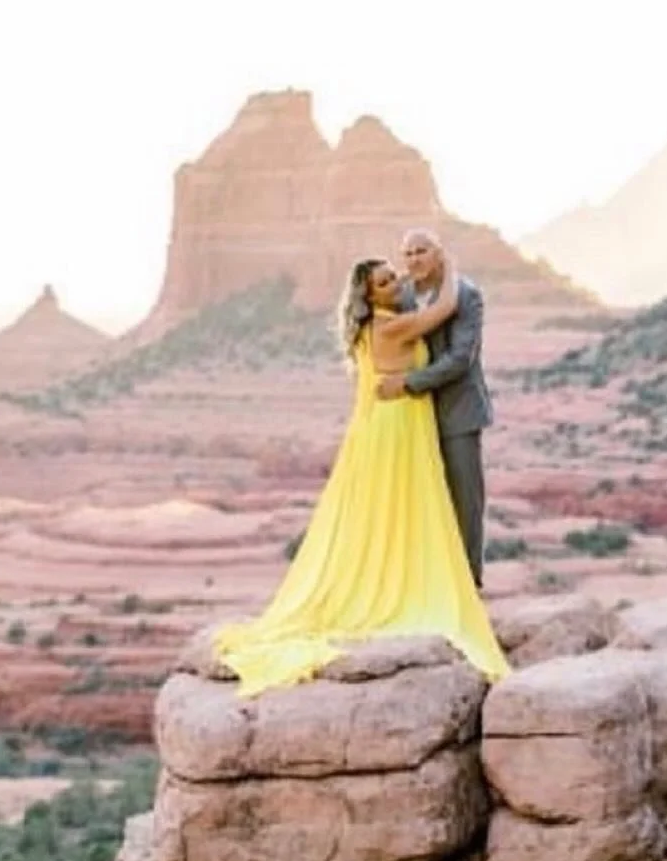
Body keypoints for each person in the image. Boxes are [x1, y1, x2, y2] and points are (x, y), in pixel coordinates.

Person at [212, 255, 509, 697]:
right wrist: (444, 260)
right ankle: (409, 585)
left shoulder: (377, 324)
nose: (396, 282)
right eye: (386, 281)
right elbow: (444, 308)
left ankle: (405, 575)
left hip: (395, 421)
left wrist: (414, 273)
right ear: (369, 295)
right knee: (407, 502)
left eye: (394, 276)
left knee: (398, 507)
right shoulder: (389, 326)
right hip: (398, 425)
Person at [376, 229, 492, 589]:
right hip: (415, 417)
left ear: (439, 254)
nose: (413, 259)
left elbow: (461, 359)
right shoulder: (404, 294)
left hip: (458, 413)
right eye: (407, 253)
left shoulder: (468, 295)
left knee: (464, 502)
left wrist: (408, 384)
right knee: (424, 501)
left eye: (421, 251)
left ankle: (469, 585)